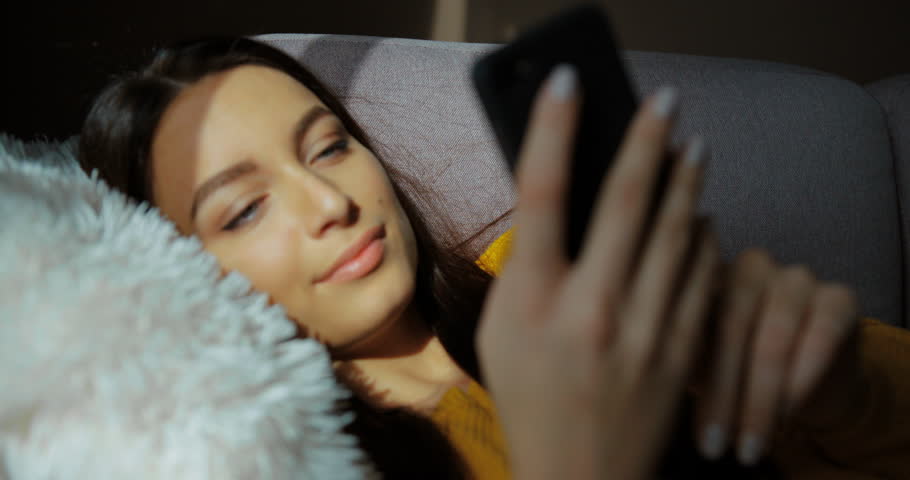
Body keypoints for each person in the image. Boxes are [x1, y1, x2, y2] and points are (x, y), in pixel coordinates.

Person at [78, 37, 909, 479]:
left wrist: (844, 384)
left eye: (329, 148)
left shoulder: (544, 274)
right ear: (174, 275)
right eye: (246, 207)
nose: (331, 204)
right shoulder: (294, 462)